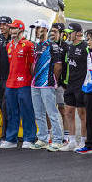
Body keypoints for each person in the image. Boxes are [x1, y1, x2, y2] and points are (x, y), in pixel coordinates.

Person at [0, 20, 36, 149]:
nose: (10, 30)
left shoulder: (28, 45)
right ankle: (11, 139)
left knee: (27, 111)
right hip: (10, 83)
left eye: (13, 28)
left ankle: (29, 138)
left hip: (24, 83)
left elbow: (33, 65)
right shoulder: (9, 45)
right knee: (11, 112)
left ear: (20, 29)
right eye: (10, 28)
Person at [29, 19, 63, 151]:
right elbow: (34, 64)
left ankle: (57, 140)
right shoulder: (37, 45)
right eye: (35, 28)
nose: (36, 31)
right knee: (38, 113)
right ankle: (42, 138)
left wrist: (52, 80)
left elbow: (58, 67)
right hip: (35, 83)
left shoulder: (52, 45)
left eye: (38, 28)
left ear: (45, 29)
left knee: (52, 113)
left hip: (47, 84)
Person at [60, 23, 88, 152]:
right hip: (70, 85)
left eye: (69, 32)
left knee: (82, 114)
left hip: (82, 85)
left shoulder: (85, 47)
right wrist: (64, 82)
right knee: (68, 112)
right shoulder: (69, 48)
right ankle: (72, 141)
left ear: (77, 33)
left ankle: (83, 141)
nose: (67, 34)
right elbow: (67, 67)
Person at [0, 16, 12, 147]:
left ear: (10, 25)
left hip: (11, 78)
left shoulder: (15, 39)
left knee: (7, 108)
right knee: (2, 107)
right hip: (0, 76)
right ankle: (9, 135)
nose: (1, 27)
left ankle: (6, 137)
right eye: (0, 24)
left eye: (4, 24)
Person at [50, 23, 68, 143]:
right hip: (48, 83)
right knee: (49, 110)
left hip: (61, 84)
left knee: (63, 110)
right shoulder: (48, 44)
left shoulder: (66, 47)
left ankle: (66, 136)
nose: (53, 34)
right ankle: (48, 134)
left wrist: (64, 84)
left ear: (61, 33)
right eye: (52, 31)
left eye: (55, 31)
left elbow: (65, 67)